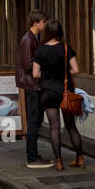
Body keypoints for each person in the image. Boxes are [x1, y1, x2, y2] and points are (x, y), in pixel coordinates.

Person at [32, 19, 84, 171]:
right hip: (65, 92)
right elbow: (76, 69)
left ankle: (59, 162)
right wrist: (65, 72)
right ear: (60, 32)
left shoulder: (40, 50)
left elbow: (35, 74)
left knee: (54, 127)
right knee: (71, 126)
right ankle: (80, 158)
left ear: (47, 32)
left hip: (48, 93)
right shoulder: (66, 48)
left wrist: (45, 74)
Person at [15, 9, 51, 168]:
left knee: (36, 119)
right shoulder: (29, 39)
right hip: (32, 84)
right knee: (34, 120)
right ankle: (32, 156)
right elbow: (28, 64)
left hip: (34, 84)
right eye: (43, 22)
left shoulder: (32, 38)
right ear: (36, 23)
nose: (45, 24)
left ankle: (34, 154)